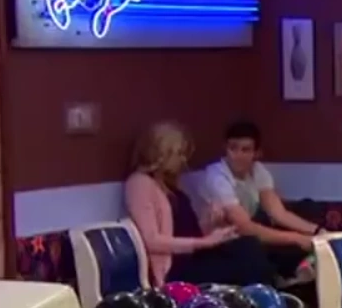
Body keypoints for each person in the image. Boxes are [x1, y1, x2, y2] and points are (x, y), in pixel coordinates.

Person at [124, 121, 278, 287]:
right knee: (246, 260)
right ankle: (266, 296)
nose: (183, 160)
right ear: (161, 154)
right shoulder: (140, 183)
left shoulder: (170, 185)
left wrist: (211, 222)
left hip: (195, 255)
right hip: (176, 268)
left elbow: (188, 231)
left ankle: (270, 292)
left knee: (247, 245)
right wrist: (206, 242)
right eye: (179, 154)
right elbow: (152, 240)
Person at [197, 121, 319, 284]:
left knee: (307, 207)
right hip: (221, 241)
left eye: (245, 150)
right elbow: (244, 227)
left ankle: (299, 270)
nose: (238, 155)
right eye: (233, 148)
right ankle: (281, 278)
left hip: (248, 231)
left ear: (256, 153)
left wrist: (317, 231)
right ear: (225, 149)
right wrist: (297, 238)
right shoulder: (216, 176)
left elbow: (278, 213)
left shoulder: (258, 170)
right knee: (251, 244)